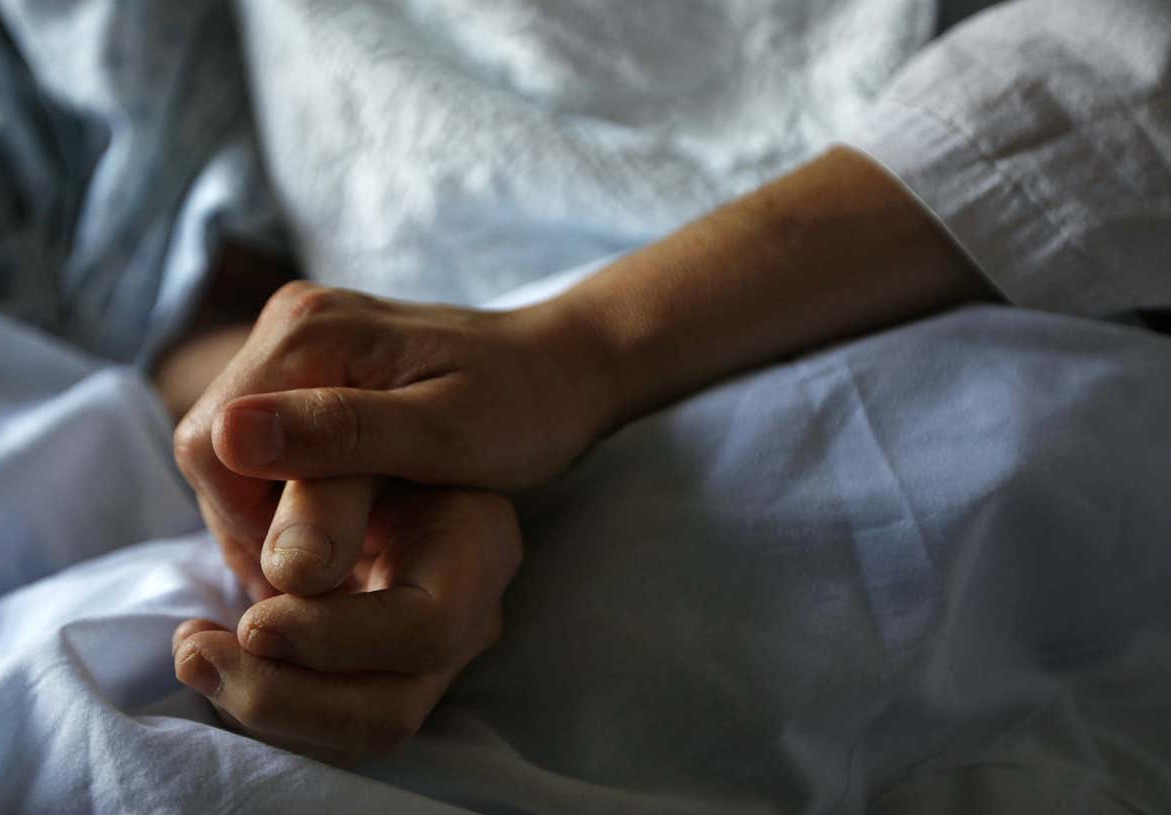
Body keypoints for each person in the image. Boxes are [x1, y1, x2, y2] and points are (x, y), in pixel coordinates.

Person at [166, 0, 1171, 763]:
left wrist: (580, 346)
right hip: (462, 461)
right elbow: (151, 295)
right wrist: (363, 445)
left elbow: (1122, 57)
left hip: (944, 300)